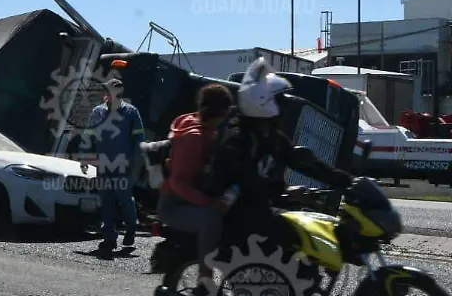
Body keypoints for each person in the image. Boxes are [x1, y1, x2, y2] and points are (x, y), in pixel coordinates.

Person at [205, 58, 354, 237]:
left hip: (257, 209)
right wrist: (286, 192)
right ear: (260, 103)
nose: (284, 106)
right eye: (279, 101)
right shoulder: (238, 140)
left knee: (319, 226)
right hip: (235, 217)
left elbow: (300, 160)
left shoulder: (270, 136)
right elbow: (246, 182)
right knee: (303, 234)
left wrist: (349, 181)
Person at [153, 83, 234, 279]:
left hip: (191, 200)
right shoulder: (193, 137)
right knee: (211, 219)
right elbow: (178, 183)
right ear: (220, 112)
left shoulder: (209, 130)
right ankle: (204, 279)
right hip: (174, 205)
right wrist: (209, 202)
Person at [86, 77, 145, 253]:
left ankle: (130, 228)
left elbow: (139, 139)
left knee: (124, 199)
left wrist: (135, 161)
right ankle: (109, 238)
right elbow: (88, 136)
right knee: (107, 200)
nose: (106, 93)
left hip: (123, 164)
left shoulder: (131, 112)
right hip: (103, 164)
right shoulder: (97, 112)